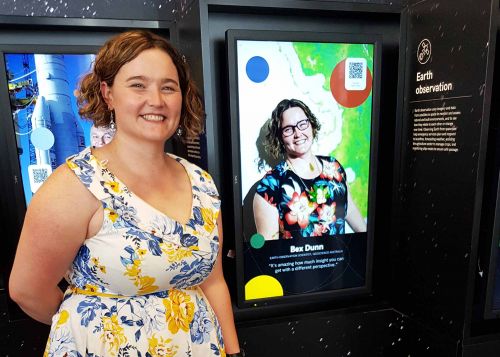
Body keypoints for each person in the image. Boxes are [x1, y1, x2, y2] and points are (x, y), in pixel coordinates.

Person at [9, 30, 243, 356]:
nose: (156, 100)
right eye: (138, 85)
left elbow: (213, 281)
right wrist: (89, 323)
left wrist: (233, 352)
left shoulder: (201, 183)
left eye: (168, 87)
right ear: (108, 94)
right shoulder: (75, 186)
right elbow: (26, 290)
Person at [253, 98, 367, 240]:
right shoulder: (270, 185)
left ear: (311, 125)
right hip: (297, 263)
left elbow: (348, 210)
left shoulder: (334, 167)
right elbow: (269, 254)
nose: (298, 133)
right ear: (280, 137)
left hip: (338, 261)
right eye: (288, 129)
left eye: (302, 124)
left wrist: (369, 249)